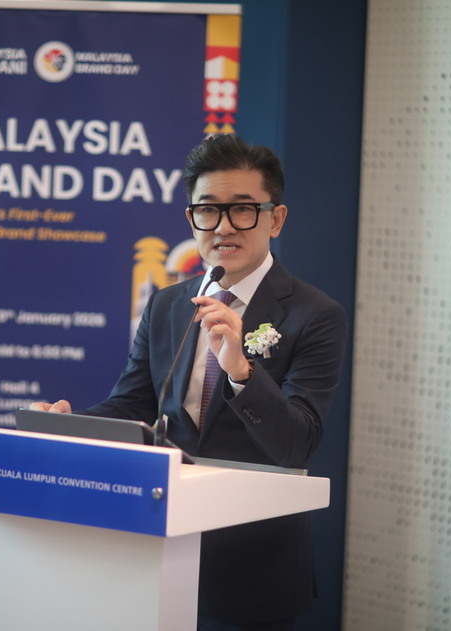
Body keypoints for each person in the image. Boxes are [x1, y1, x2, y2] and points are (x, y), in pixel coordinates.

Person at [30, 134, 348, 631]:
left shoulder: (315, 315)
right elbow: (133, 404)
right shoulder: (167, 305)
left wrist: (241, 372)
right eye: (208, 210)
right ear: (191, 219)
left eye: (243, 209)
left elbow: (297, 444)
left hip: (253, 565)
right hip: (157, 553)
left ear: (276, 219)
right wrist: (67, 425)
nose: (224, 226)